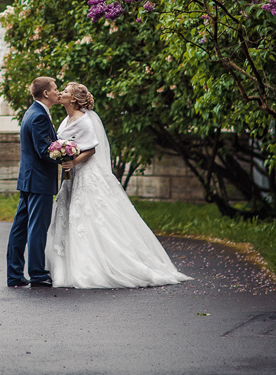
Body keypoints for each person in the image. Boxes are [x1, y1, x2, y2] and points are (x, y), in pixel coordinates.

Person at [46, 82, 192, 289]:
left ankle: (100, 266)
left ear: (75, 99)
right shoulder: (66, 119)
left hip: (86, 174)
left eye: (66, 92)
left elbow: (91, 150)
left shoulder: (84, 120)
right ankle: (70, 266)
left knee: (91, 217)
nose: (61, 93)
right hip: (73, 176)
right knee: (71, 217)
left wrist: (73, 162)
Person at [6, 75, 61, 288]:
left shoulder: (32, 112)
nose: (58, 91)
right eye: (55, 89)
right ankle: (37, 274)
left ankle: (14, 275)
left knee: (20, 227)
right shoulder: (39, 116)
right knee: (37, 227)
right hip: (39, 180)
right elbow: (45, 150)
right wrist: (68, 156)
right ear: (46, 93)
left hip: (28, 179)